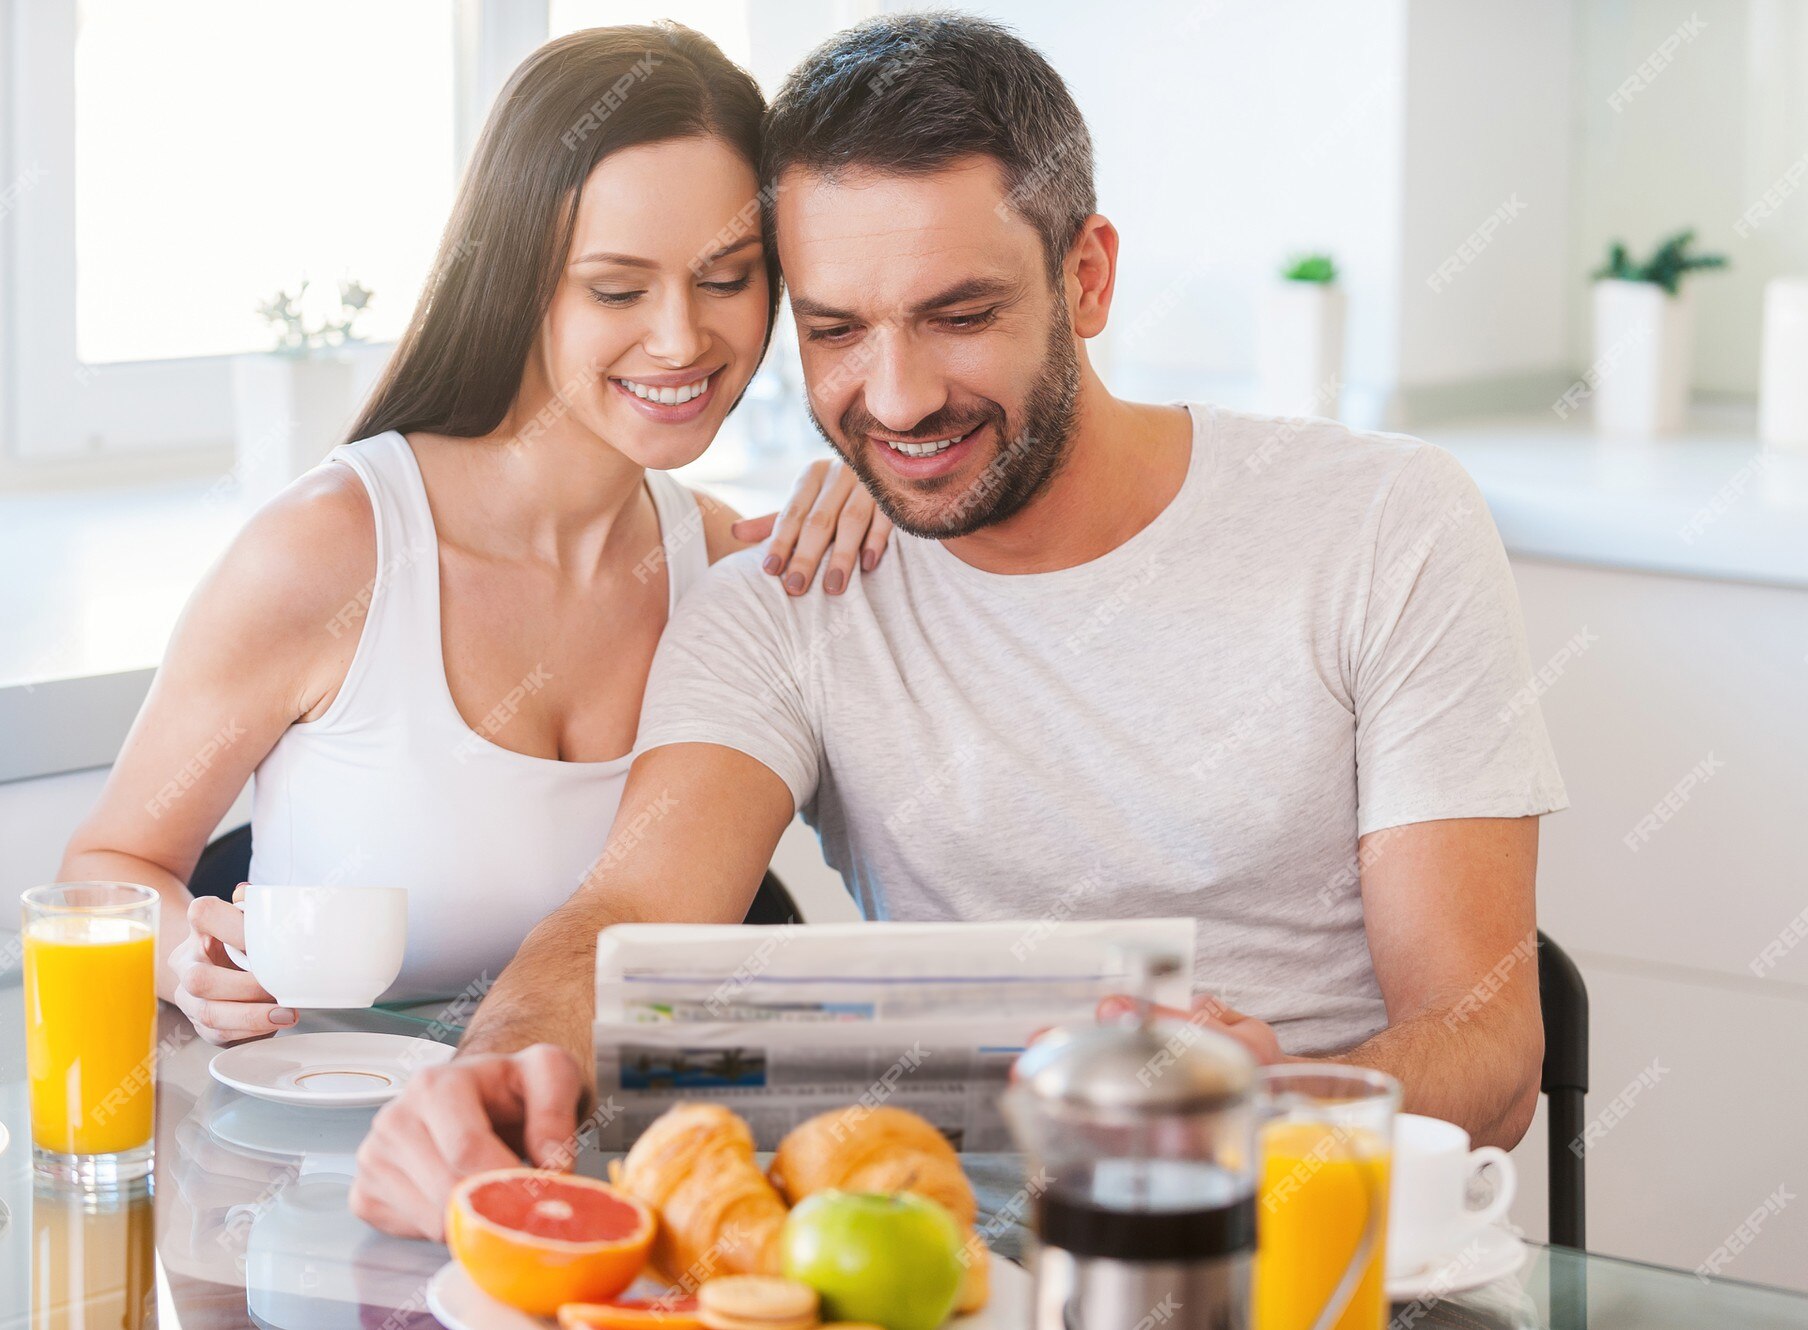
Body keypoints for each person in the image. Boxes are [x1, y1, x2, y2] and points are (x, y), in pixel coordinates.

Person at [349, 12, 1567, 1241]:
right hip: (955, 1265)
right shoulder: (782, 600)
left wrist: (1239, 1110)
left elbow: (1487, 1048)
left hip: (1331, 1246)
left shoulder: (1379, 524)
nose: (898, 397)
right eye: (834, 330)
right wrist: (495, 1068)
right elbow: (621, 921)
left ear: (1084, 278)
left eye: (958, 314)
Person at [58, 23, 892, 1044]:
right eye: (616, 288)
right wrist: (187, 955)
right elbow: (105, 873)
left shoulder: (726, 564)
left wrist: (883, 494)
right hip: (322, 1157)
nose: (681, 336)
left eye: (726, 277)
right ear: (518, 279)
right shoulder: (330, 554)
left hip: (589, 1165)